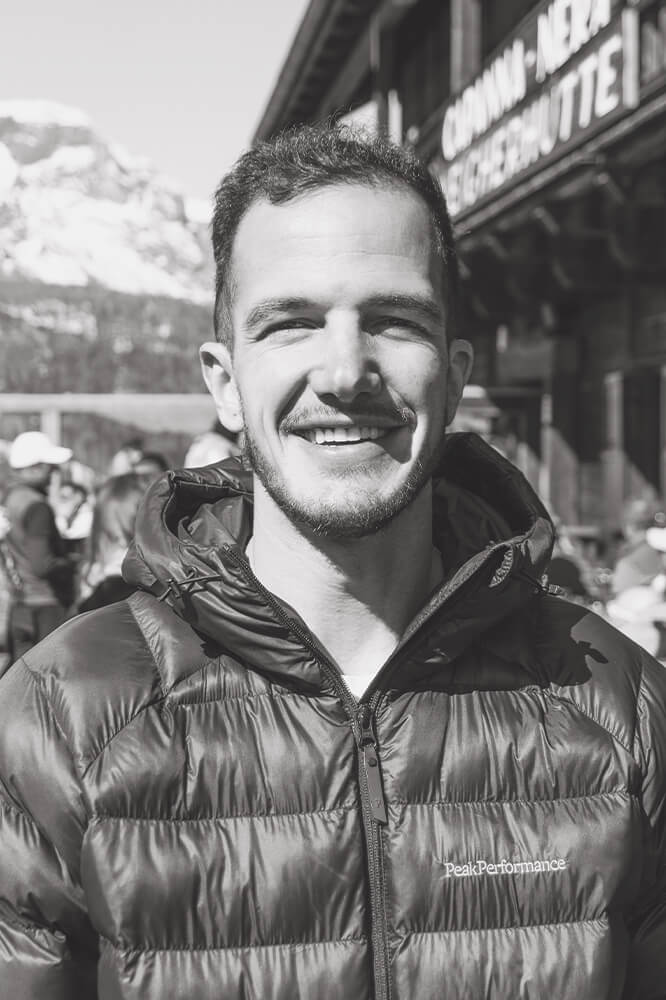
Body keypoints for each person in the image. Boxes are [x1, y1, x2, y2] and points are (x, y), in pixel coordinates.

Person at [0, 126, 665, 1000]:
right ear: (225, 382)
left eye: (394, 320)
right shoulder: (61, 717)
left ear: (453, 376)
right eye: (292, 324)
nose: (346, 371)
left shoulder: (620, 707)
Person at [1, 430, 76, 662]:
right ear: (32, 468)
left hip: (19, 607)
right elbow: (42, 565)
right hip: (45, 608)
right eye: (48, 466)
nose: (53, 472)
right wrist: (73, 563)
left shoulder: (9, 499)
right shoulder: (37, 507)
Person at [77, 472, 151, 613]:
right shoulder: (101, 569)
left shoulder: (99, 565)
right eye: (113, 537)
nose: (122, 542)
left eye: (128, 534)